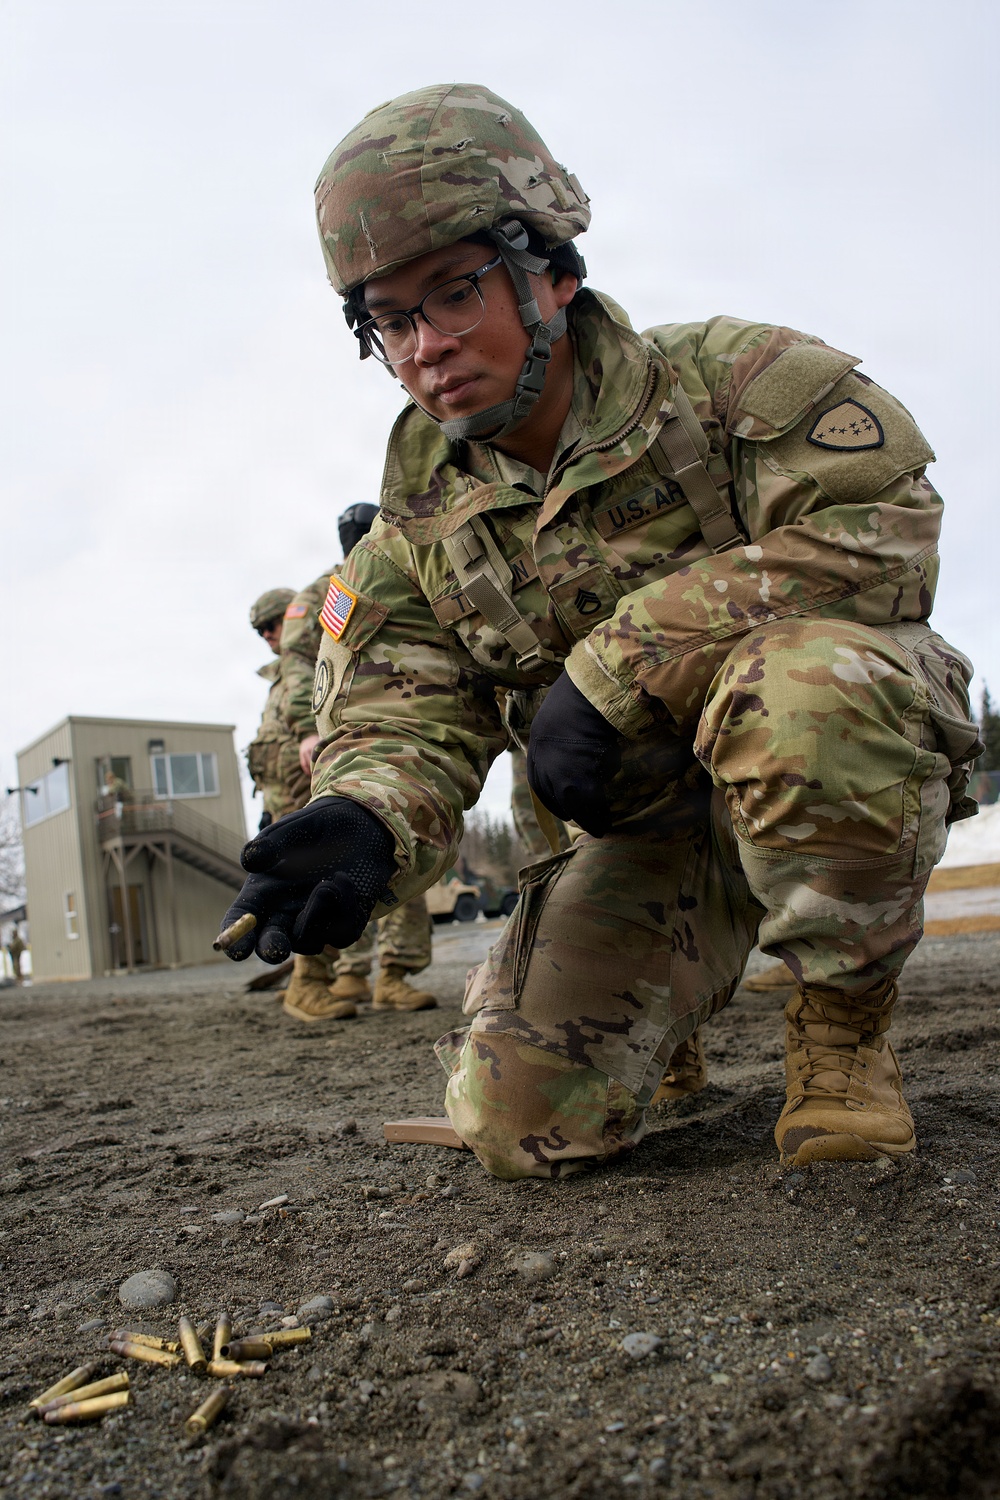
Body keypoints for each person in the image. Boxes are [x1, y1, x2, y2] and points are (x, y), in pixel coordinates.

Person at [221, 84, 981, 1181]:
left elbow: (882, 532)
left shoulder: (733, 385)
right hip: (651, 835)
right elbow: (404, 715)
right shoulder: (413, 531)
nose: (425, 346)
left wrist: (614, 665)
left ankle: (841, 1032)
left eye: (454, 295)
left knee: (810, 682)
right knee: (518, 1127)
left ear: (553, 273)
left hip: (823, 771)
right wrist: (365, 817)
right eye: (390, 321)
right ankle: (671, 1006)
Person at [279, 506, 437, 1018]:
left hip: (406, 729)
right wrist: (306, 732)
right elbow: (297, 664)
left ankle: (386, 975)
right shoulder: (329, 590)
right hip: (344, 737)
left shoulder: (411, 570)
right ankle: (311, 977)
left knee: (403, 849)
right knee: (336, 851)